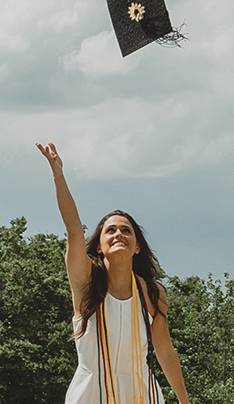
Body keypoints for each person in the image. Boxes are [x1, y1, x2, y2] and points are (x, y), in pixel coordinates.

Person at [37, 142, 190, 404]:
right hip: (90, 394)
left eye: (126, 230)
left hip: (141, 394)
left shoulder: (152, 292)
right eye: (110, 230)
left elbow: (164, 350)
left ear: (137, 246)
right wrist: (58, 177)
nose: (119, 233)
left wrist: (184, 401)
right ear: (98, 245)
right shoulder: (86, 281)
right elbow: (74, 230)